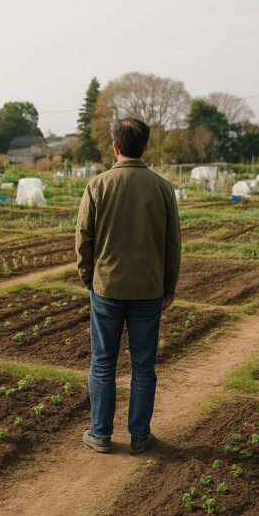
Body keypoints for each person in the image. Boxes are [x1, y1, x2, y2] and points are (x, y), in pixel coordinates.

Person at [75, 117, 181, 454]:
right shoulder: (162, 187)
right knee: (143, 364)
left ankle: (100, 434)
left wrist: (88, 277)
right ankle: (140, 435)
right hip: (148, 288)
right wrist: (169, 286)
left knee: (103, 361)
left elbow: (83, 239)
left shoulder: (98, 185)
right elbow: (172, 243)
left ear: (115, 147)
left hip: (106, 286)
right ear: (145, 147)